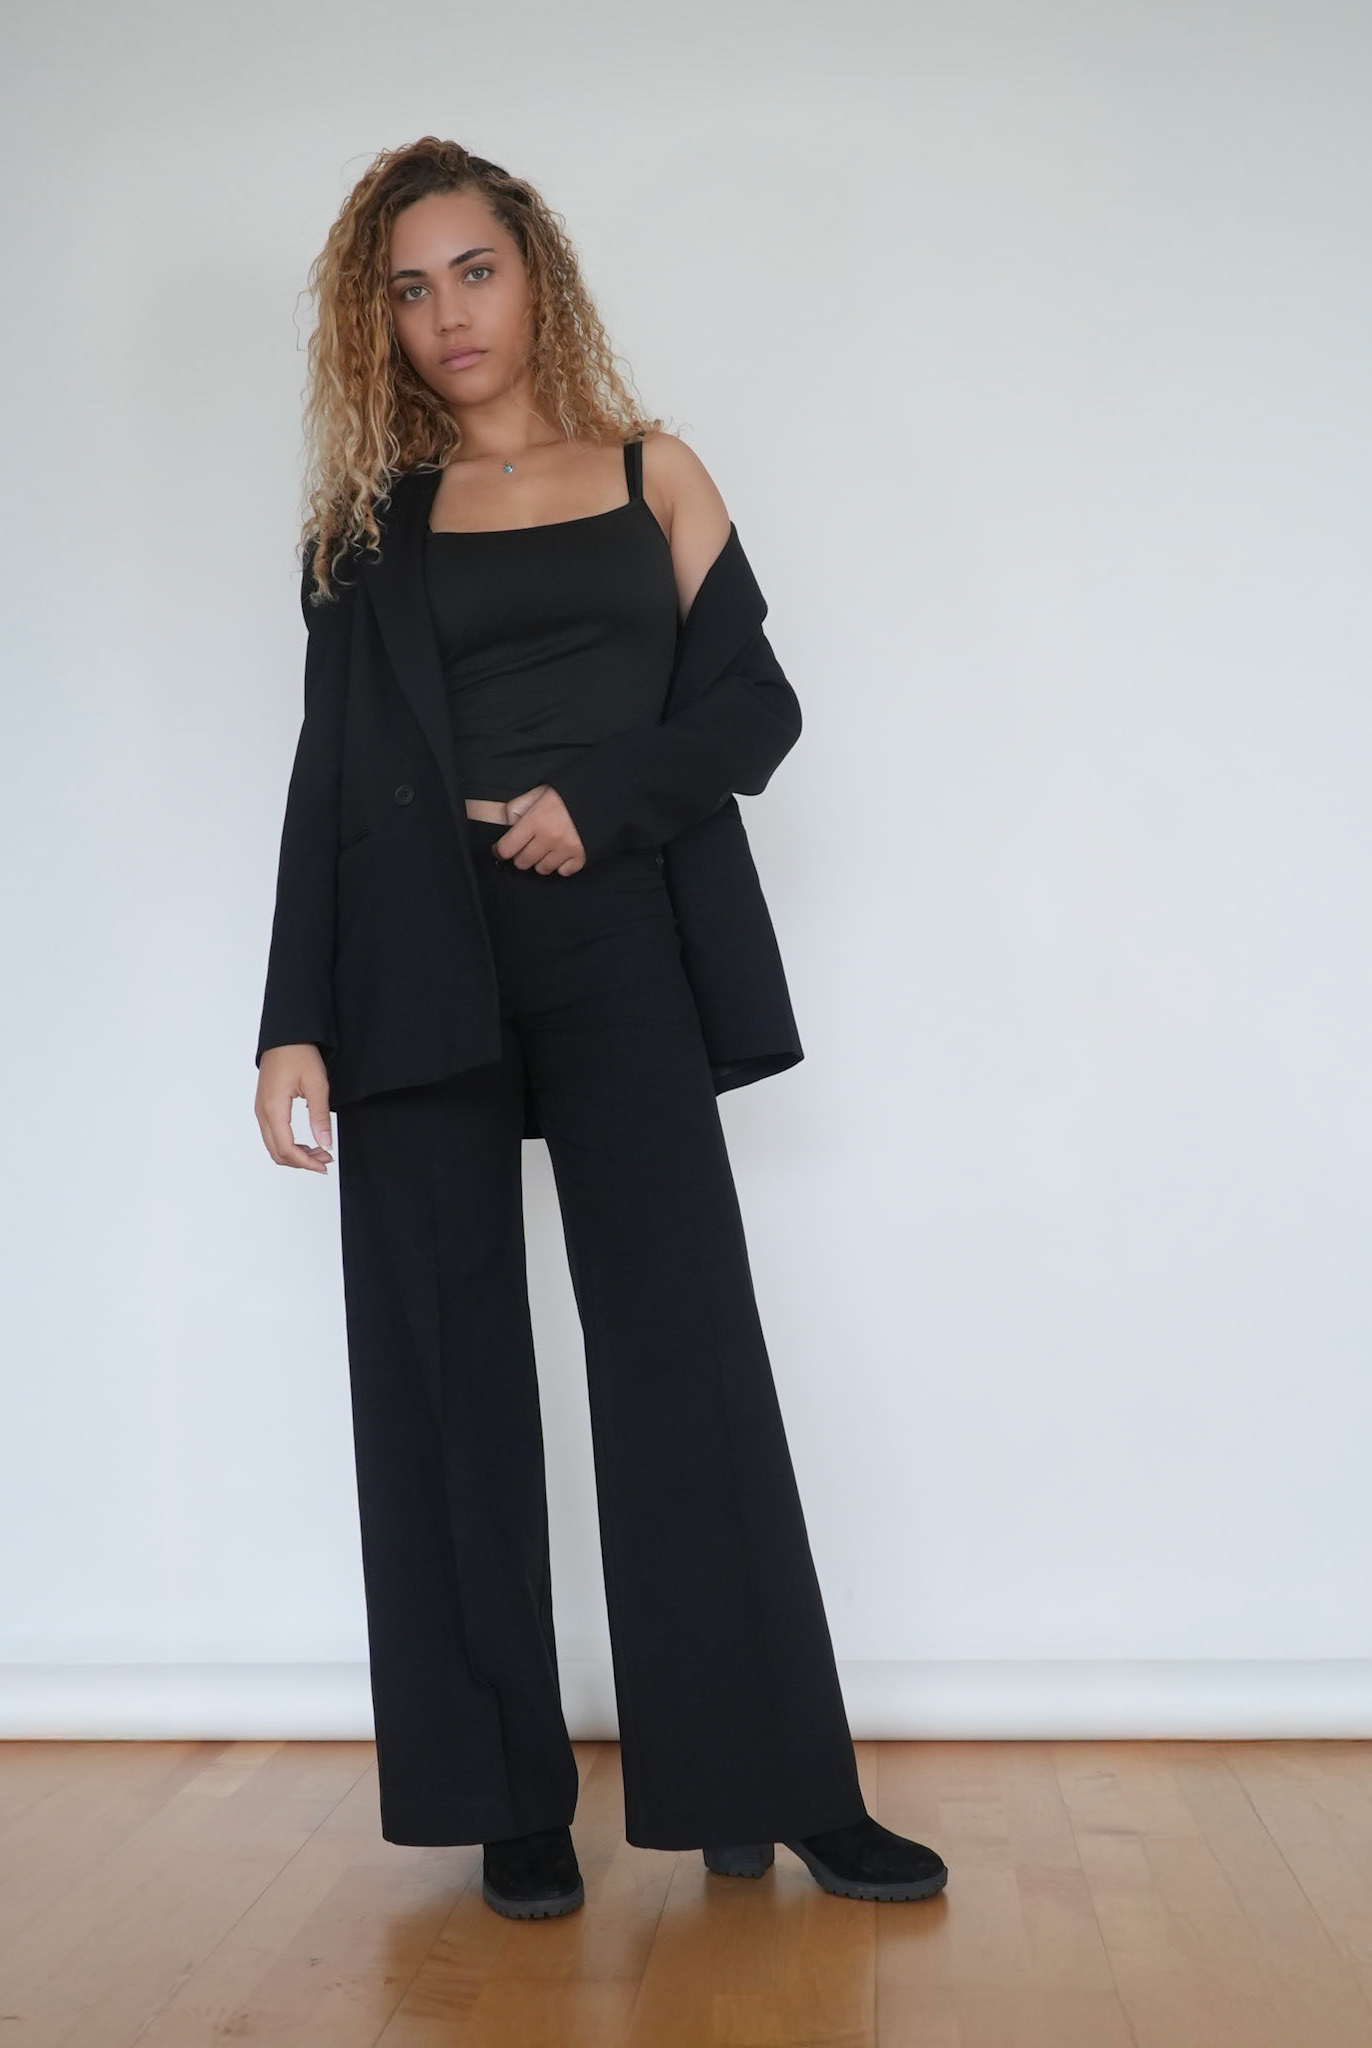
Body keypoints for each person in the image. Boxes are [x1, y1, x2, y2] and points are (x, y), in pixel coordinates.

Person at [253, 137, 948, 1920]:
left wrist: (604, 799)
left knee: (681, 1350)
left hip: (612, 931)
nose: (445, 314)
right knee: (442, 1369)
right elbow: (329, 777)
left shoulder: (653, 473)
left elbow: (754, 704)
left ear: (534, 274)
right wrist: (290, 1020)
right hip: (416, 953)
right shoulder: (365, 528)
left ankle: (764, 1782)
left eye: (472, 270)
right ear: (375, 321)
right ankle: (506, 1799)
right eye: (407, 289)